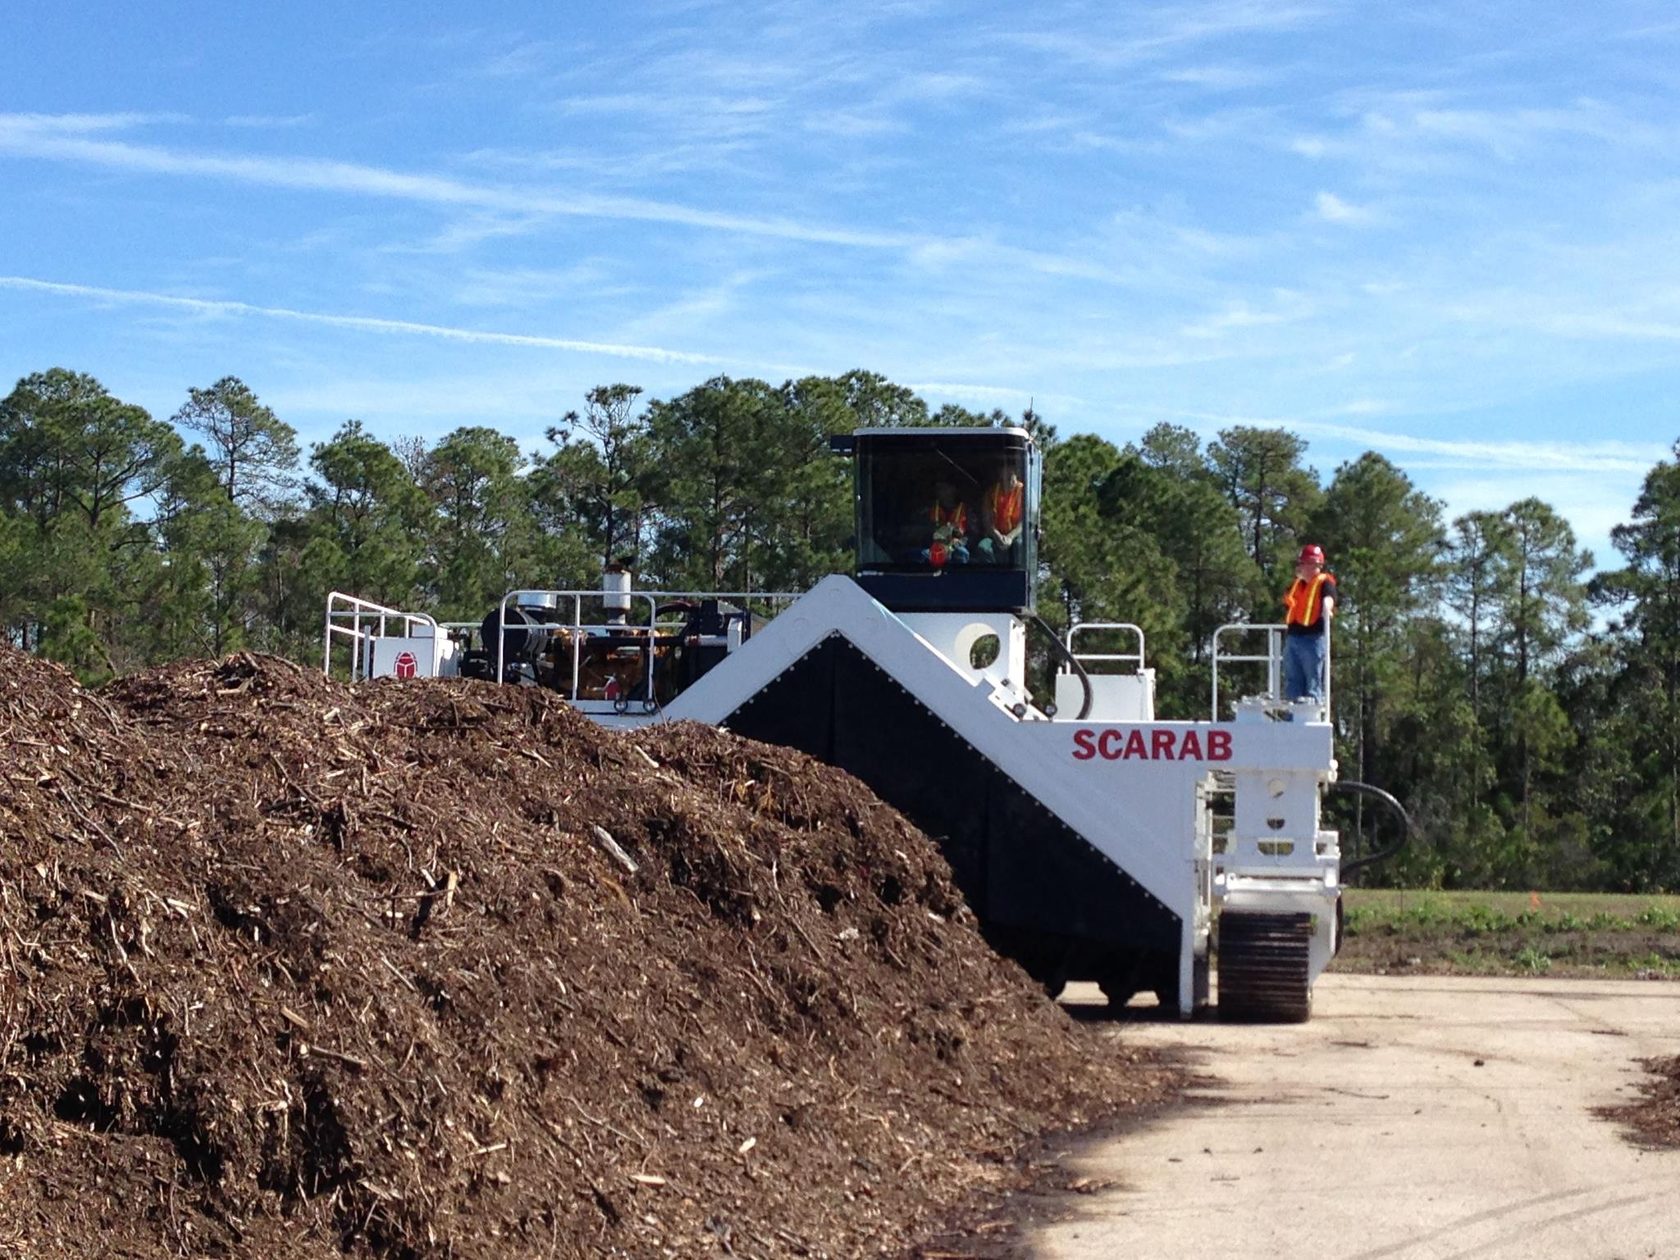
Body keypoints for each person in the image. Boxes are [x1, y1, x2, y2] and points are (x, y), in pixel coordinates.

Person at [1281, 543, 1337, 705]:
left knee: (1313, 681)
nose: (1300, 566)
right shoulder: (1296, 585)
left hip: (1313, 640)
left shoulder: (1324, 582)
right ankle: (1292, 720)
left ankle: (1311, 719)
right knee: (1292, 681)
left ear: (1314, 565)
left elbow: (1329, 597)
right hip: (1293, 639)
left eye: (1303, 563)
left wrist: (1327, 608)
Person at [976, 462, 1025, 565]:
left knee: (1019, 546)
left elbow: (1024, 521)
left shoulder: (1025, 492)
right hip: (995, 535)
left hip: (1016, 535)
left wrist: (1010, 537)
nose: (1007, 482)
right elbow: (987, 520)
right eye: (1004, 478)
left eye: (1010, 477)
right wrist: (997, 536)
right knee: (983, 547)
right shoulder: (991, 492)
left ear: (1017, 475)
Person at [919, 479, 971, 566]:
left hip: (956, 549)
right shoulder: (928, 509)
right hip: (933, 548)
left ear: (954, 489)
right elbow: (920, 531)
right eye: (939, 488)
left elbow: (973, 535)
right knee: (921, 554)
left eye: (945, 488)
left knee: (962, 553)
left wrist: (956, 544)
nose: (941, 491)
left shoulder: (967, 510)